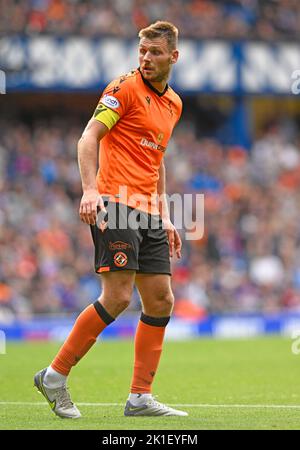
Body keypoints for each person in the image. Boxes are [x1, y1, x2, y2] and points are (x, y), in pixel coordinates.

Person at [34, 20, 187, 418]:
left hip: (150, 212)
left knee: (161, 299)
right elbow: (88, 137)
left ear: (174, 56)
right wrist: (89, 190)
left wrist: (166, 216)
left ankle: (139, 398)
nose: (146, 58)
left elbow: (158, 159)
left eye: (155, 52)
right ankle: (54, 375)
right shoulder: (123, 88)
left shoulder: (174, 103)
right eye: (142, 52)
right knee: (118, 296)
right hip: (114, 202)